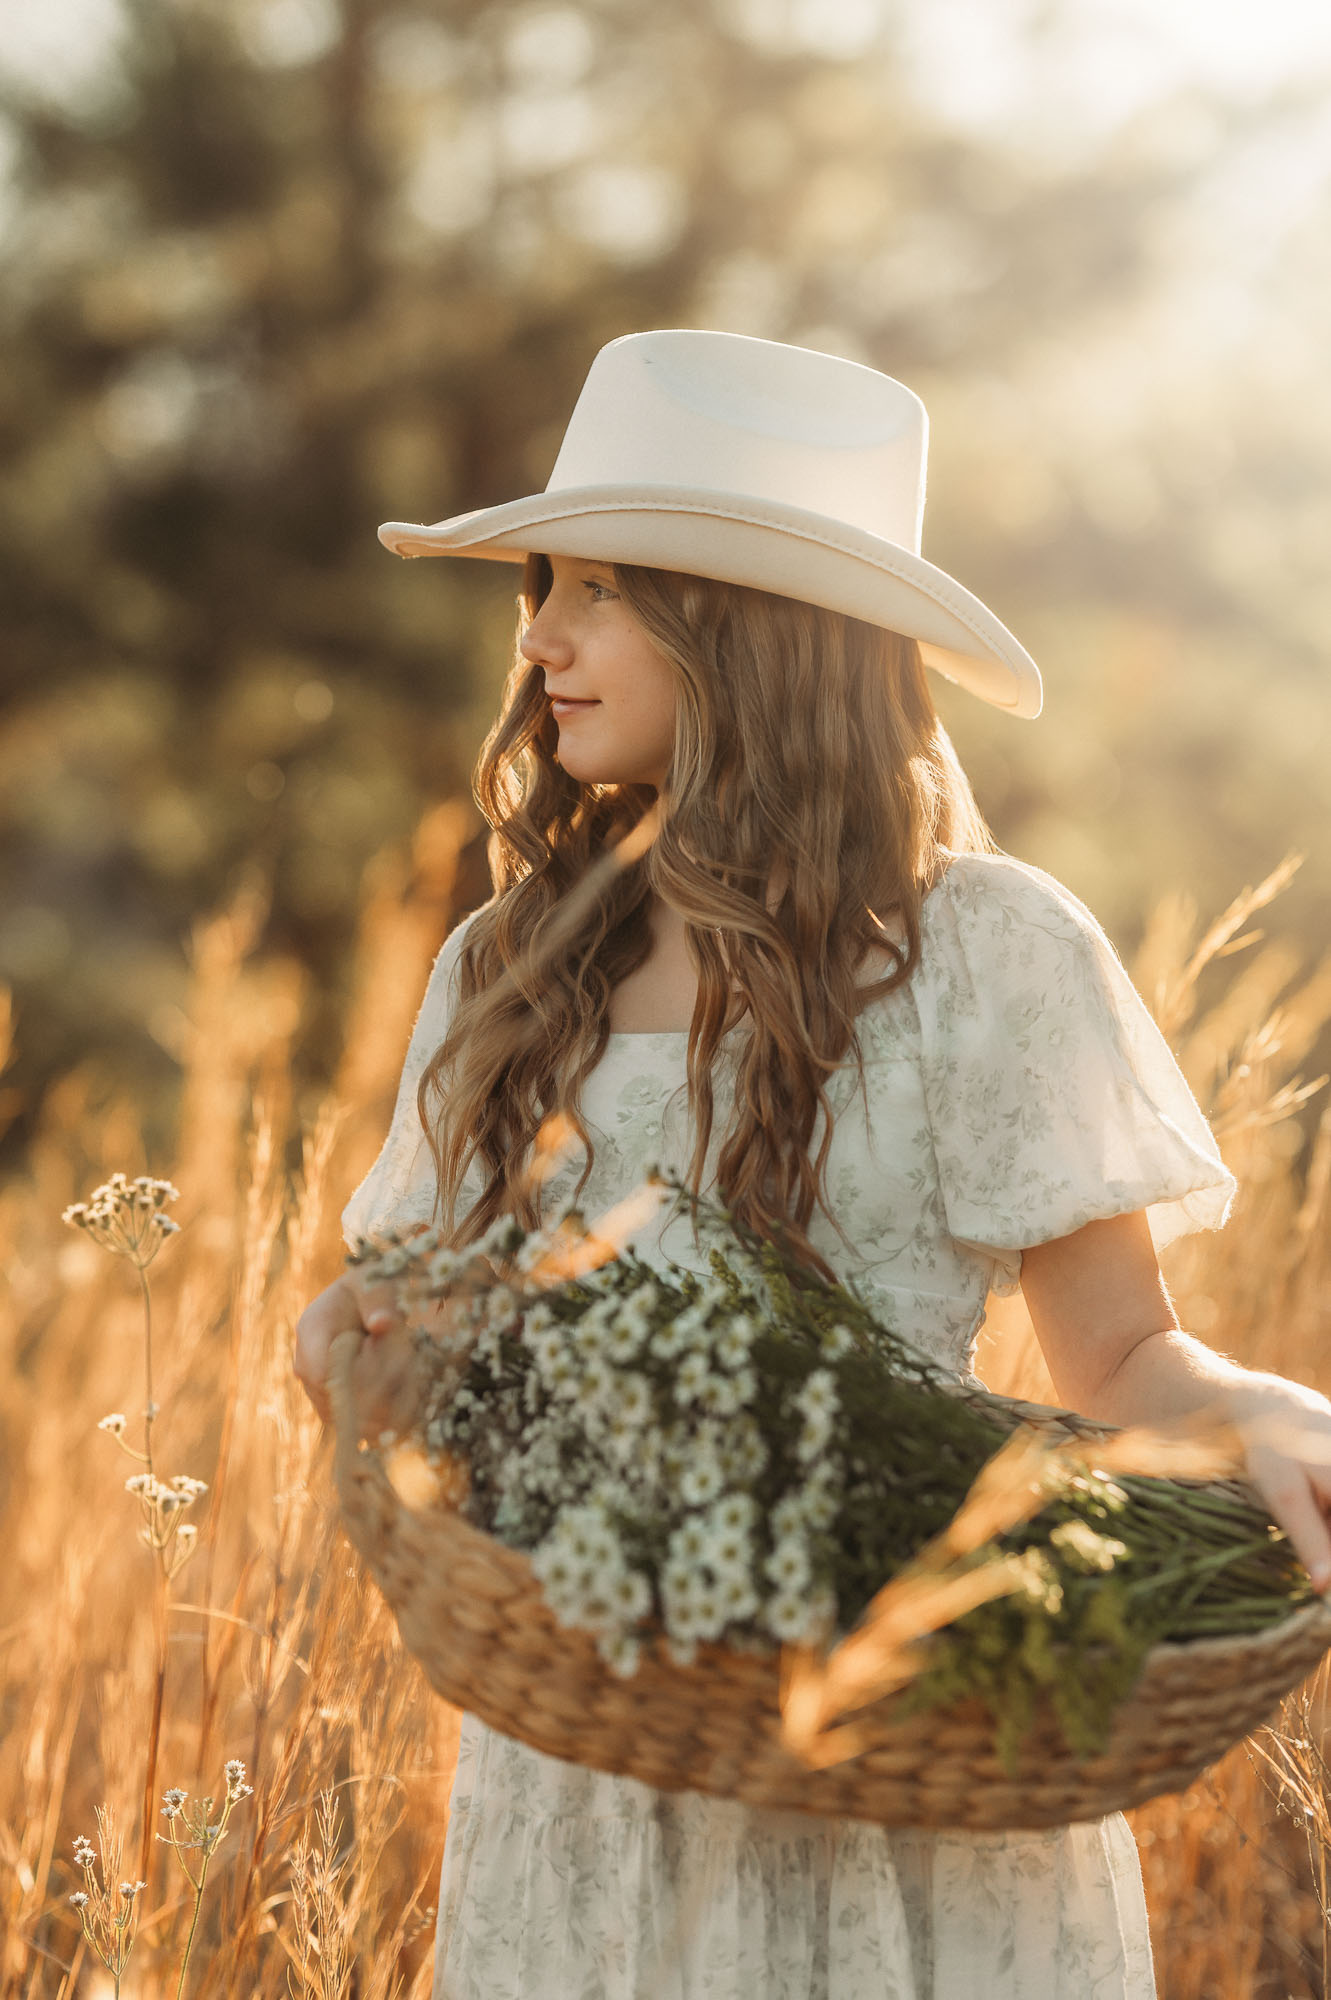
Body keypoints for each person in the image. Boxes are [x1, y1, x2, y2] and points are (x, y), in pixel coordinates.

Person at [294, 330, 1331, 2000]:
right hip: (595, 1782)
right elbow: (441, 1331)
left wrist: (1262, 1411)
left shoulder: (986, 949)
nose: (541, 636)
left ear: (749, 632)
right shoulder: (507, 966)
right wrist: (364, 1348)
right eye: (542, 584)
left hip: (910, 1747)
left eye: (602, 589)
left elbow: (1118, 1356)